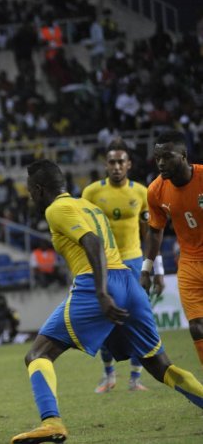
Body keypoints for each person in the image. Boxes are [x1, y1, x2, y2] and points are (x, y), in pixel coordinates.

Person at [11, 159, 203, 444]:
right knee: (160, 366)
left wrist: (101, 292)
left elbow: (92, 243)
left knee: (38, 355)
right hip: (128, 282)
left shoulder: (56, 210)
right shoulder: (89, 206)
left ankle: (51, 423)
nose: (30, 197)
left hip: (97, 283)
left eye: (30, 191)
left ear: (39, 189)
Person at [82, 138, 152, 393]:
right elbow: (85, 232)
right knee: (105, 317)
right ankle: (108, 375)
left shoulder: (141, 192)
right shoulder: (91, 193)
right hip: (106, 264)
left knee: (137, 318)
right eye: (112, 162)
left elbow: (149, 231)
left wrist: (151, 266)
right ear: (106, 164)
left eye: (121, 161)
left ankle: (135, 378)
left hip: (133, 261)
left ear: (129, 164)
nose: (116, 166)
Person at [141, 130, 203, 367]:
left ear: (184, 156)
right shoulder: (155, 191)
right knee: (197, 327)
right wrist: (146, 269)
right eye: (157, 157)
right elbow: (155, 231)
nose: (160, 163)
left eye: (167, 157)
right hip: (189, 264)